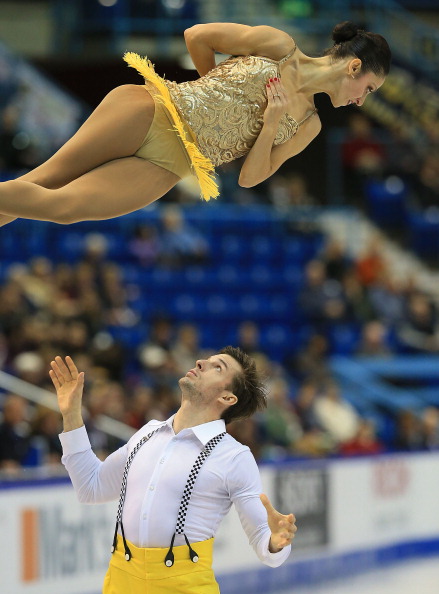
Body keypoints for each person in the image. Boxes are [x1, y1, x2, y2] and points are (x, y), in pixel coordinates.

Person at [0, 21, 390, 227]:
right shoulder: (279, 46)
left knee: (63, 208)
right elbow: (197, 36)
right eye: (368, 88)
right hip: (152, 109)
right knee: (42, 181)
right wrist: (212, 84)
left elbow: (250, 178)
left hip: (172, 164)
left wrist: (271, 121)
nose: (362, 100)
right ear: (354, 66)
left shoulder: (308, 125)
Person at [51, 349, 296, 593]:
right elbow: (90, 488)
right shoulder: (147, 433)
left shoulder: (234, 457)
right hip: (121, 581)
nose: (200, 363)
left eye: (217, 367)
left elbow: (265, 544)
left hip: (184, 585)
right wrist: (72, 413)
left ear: (228, 398)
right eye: (206, 361)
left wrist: (276, 541)